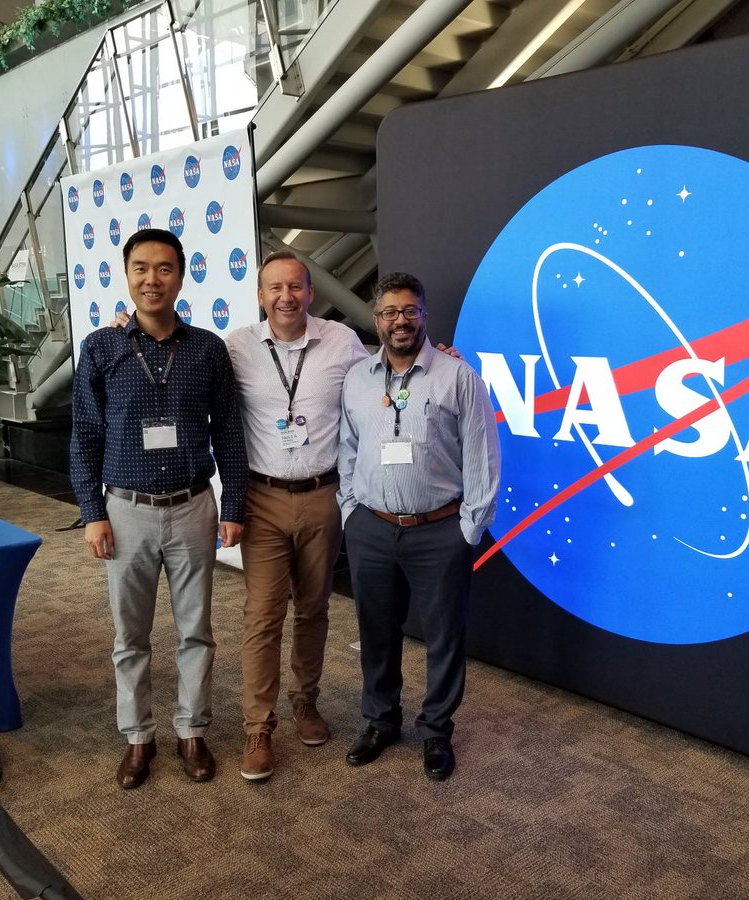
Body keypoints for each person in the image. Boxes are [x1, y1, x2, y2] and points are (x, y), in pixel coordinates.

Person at [70, 228, 247, 789]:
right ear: (127, 275)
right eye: (141, 268)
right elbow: (84, 436)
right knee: (130, 636)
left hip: (194, 505)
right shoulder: (102, 347)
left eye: (165, 268)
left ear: (181, 276)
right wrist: (92, 512)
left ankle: (192, 731)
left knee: (197, 630)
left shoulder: (207, 349)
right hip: (126, 510)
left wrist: (234, 504)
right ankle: (138, 737)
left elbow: (231, 433)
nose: (153, 279)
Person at [337, 271, 501, 781]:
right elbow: (347, 448)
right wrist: (349, 510)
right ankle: (380, 720)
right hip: (371, 527)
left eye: (410, 310)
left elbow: (483, 456)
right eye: (390, 312)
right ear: (376, 320)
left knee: (444, 636)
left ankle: (436, 731)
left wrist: (469, 529)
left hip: (439, 530)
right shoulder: (357, 378)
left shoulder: (458, 377)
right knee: (376, 630)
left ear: (424, 315)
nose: (400, 321)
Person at [225, 249, 368, 782]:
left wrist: (438, 357)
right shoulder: (237, 347)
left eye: (295, 287)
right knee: (263, 615)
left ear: (310, 292)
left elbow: (384, 377)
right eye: (275, 288)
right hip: (261, 498)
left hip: (322, 495)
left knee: (313, 609)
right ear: (260, 295)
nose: (286, 297)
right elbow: (191, 384)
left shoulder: (342, 342)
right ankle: (258, 727)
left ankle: (305, 701)